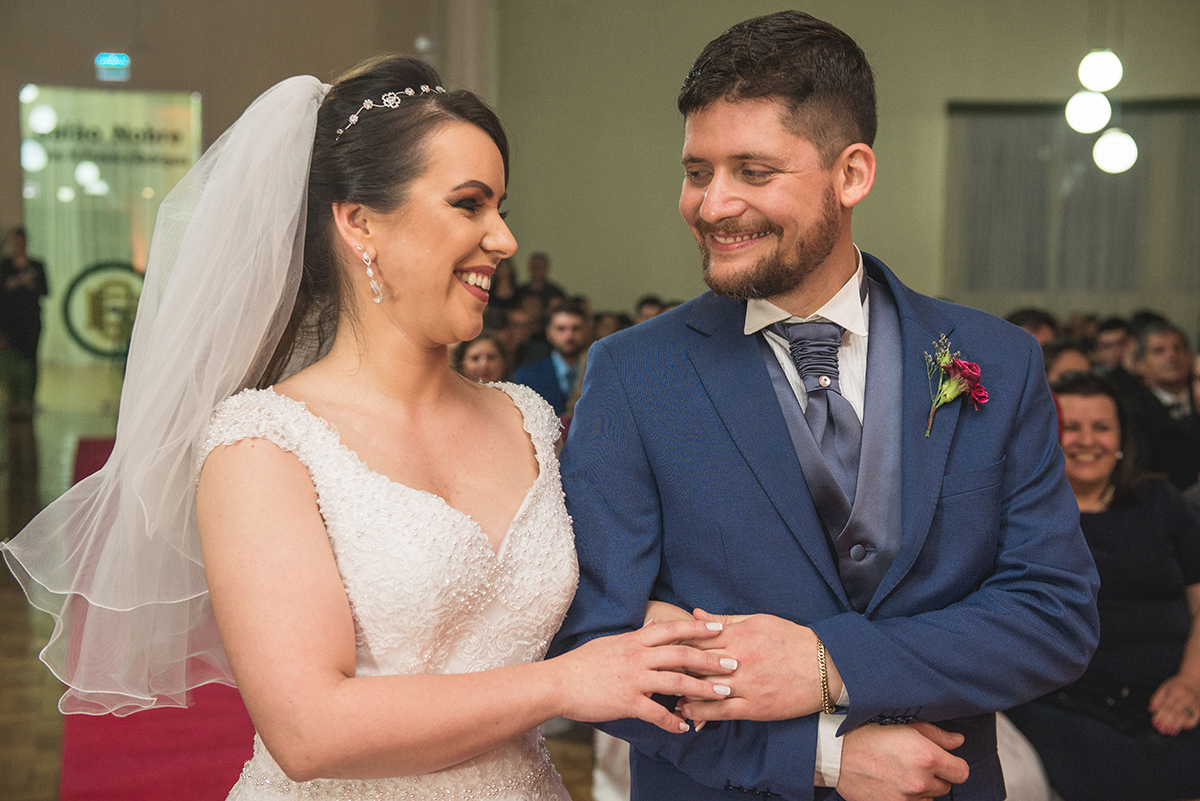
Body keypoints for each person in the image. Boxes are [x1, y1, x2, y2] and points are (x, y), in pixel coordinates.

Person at [1, 56, 736, 800]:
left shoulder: (530, 419)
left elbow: (589, 607)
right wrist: (560, 686)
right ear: (358, 222)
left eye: (502, 209)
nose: (504, 240)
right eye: (469, 205)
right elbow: (308, 728)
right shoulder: (264, 443)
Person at [550, 11, 1099, 801]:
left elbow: (1054, 616)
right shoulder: (634, 375)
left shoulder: (999, 360)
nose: (712, 205)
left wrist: (828, 665)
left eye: (753, 170)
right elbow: (599, 636)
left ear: (852, 175)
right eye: (698, 171)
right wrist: (820, 754)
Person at [1006, 372, 1200, 801]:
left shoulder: (1161, 502)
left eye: (1101, 427)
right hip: (1062, 707)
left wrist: (1191, 682)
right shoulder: (1019, 513)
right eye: (1070, 427)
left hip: (1171, 694)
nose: (1086, 440)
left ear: (1121, 439)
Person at [0, 227, 49, 415]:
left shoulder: (36, 265)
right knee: (11, 361)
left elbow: (45, 290)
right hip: (10, 322)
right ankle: (13, 401)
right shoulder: (5, 266)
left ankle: (29, 400)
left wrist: (30, 285)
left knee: (31, 360)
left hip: (31, 321)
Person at [510, 302, 590, 416]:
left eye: (576, 328)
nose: (569, 336)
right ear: (548, 332)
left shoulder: (600, 374)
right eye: (561, 329)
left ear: (587, 331)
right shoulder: (527, 376)